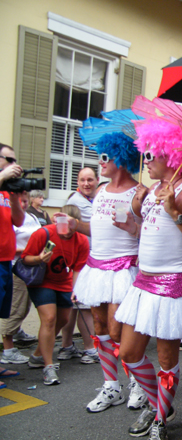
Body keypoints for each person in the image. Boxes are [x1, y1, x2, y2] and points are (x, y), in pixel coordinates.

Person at [114, 119, 182, 440]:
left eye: (150, 154)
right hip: (144, 282)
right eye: (144, 154)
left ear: (170, 155)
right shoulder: (152, 190)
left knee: (167, 358)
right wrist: (137, 210)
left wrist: (175, 212)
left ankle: (160, 419)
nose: (145, 160)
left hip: (175, 285)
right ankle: (161, 403)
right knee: (128, 353)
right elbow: (149, 235)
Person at [69, 132, 149, 413]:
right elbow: (96, 228)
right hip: (96, 268)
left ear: (121, 159)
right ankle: (111, 385)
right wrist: (73, 225)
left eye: (105, 157)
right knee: (100, 329)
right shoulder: (101, 190)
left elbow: (149, 235)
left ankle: (138, 383)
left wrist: (136, 221)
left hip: (123, 268)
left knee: (117, 330)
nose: (101, 162)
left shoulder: (139, 193)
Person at [23, 205, 89, 385]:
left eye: (71, 226)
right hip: (42, 281)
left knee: (62, 320)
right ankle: (49, 366)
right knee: (50, 319)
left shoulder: (82, 241)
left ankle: (38, 355)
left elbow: (77, 269)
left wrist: (76, 290)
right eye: (63, 223)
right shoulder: (43, 233)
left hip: (64, 283)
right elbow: (25, 258)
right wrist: (38, 258)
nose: (66, 231)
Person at [58, 166, 99, 364]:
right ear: (77, 182)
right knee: (83, 305)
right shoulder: (75, 202)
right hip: (80, 260)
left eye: (90, 179)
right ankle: (90, 349)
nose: (86, 183)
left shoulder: (93, 200)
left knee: (73, 306)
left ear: (97, 180)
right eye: (82, 180)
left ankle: (66, 346)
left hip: (85, 258)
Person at [1, 191, 39, 365]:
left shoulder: (30, 217)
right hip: (16, 266)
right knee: (15, 309)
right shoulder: (8, 216)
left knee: (23, 307)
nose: (23, 204)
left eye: (25, 201)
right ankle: (8, 349)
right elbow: (9, 244)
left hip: (31, 267)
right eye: (19, 201)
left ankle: (16, 333)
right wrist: (28, 251)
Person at [0, 143, 25, 386]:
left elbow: (18, 220)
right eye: (8, 159)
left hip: (6, 261)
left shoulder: (5, 192)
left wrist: (16, 196)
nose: (12, 164)